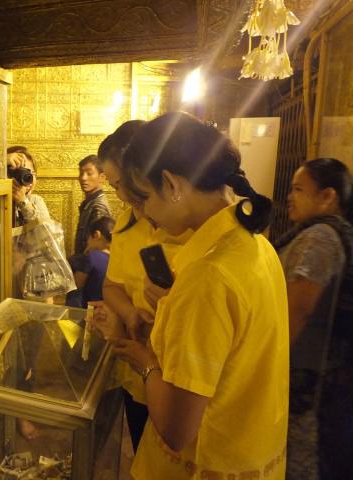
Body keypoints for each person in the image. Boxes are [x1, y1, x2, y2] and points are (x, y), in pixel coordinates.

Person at [95, 112, 289, 479]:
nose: (144, 214)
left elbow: (175, 429)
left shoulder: (208, 275)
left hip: (205, 462)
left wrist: (146, 362)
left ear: (170, 184)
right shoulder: (256, 245)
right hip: (252, 450)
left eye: (143, 198)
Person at [97, 120, 191, 452]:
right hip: (139, 369)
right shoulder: (126, 223)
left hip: (183, 379)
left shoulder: (189, 224)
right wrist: (129, 313)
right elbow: (112, 285)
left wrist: (170, 302)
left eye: (124, 183)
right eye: (114, 186)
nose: (122, 195)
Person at [274, 158, 353, 480]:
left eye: (298, 189)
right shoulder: (325, 233)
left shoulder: (320, 236)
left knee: (300, 461)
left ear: (327, 196)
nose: (290, 196)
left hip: (303, 378)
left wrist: (268, 363)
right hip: (313, 374)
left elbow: (298, 308)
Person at [71, 216, 114, 308]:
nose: (87, 243)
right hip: (113, 309)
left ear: (96, 235)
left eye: (88, 238)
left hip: (93, 311)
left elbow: (76, 285)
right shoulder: (119, 258)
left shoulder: (92, 257)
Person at [74, 154, 112, 255]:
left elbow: (98, 246)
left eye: (89, 173)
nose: (83, 178)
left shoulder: (98, 206)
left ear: (102, 177)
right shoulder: (89, 203)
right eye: (81, 173)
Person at [7, 146, 51, 227]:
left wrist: (23, 202)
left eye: (31, 173)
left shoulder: (35, 200)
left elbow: (47, 231)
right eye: (21, 172)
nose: (28, 178)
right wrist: (2, 161)